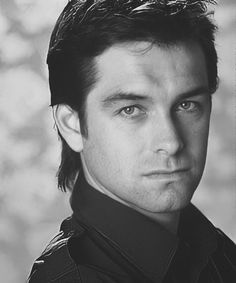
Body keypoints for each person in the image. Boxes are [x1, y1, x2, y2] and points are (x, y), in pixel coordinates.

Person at [28, 0, 236, 282]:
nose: (172, 142)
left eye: (187, 105)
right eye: (131, 109)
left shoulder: (215, 248)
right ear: (72, 124)